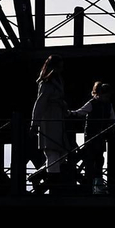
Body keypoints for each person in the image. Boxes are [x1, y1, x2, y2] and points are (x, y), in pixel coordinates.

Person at [68, 81, 115, 194]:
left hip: (96, 137)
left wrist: (70, 113)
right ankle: (93, 186)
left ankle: (93, 186)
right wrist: (71, 113)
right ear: (101, 94)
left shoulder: (101, 104)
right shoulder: (95, 104)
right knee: (92, 161)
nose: (108, 98)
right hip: (93, 137)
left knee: (98, 161)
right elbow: (80, 112)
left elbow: (80, 112)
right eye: (107, 95)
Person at [31, 55, 69, 191]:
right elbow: (40, 102)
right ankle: (50, 179)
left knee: (59, 151)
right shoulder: (47, 82)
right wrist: (35, 123)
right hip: (50, 118)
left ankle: (42, 176)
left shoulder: (54, 80)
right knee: (54, 149)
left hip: (56, 116)